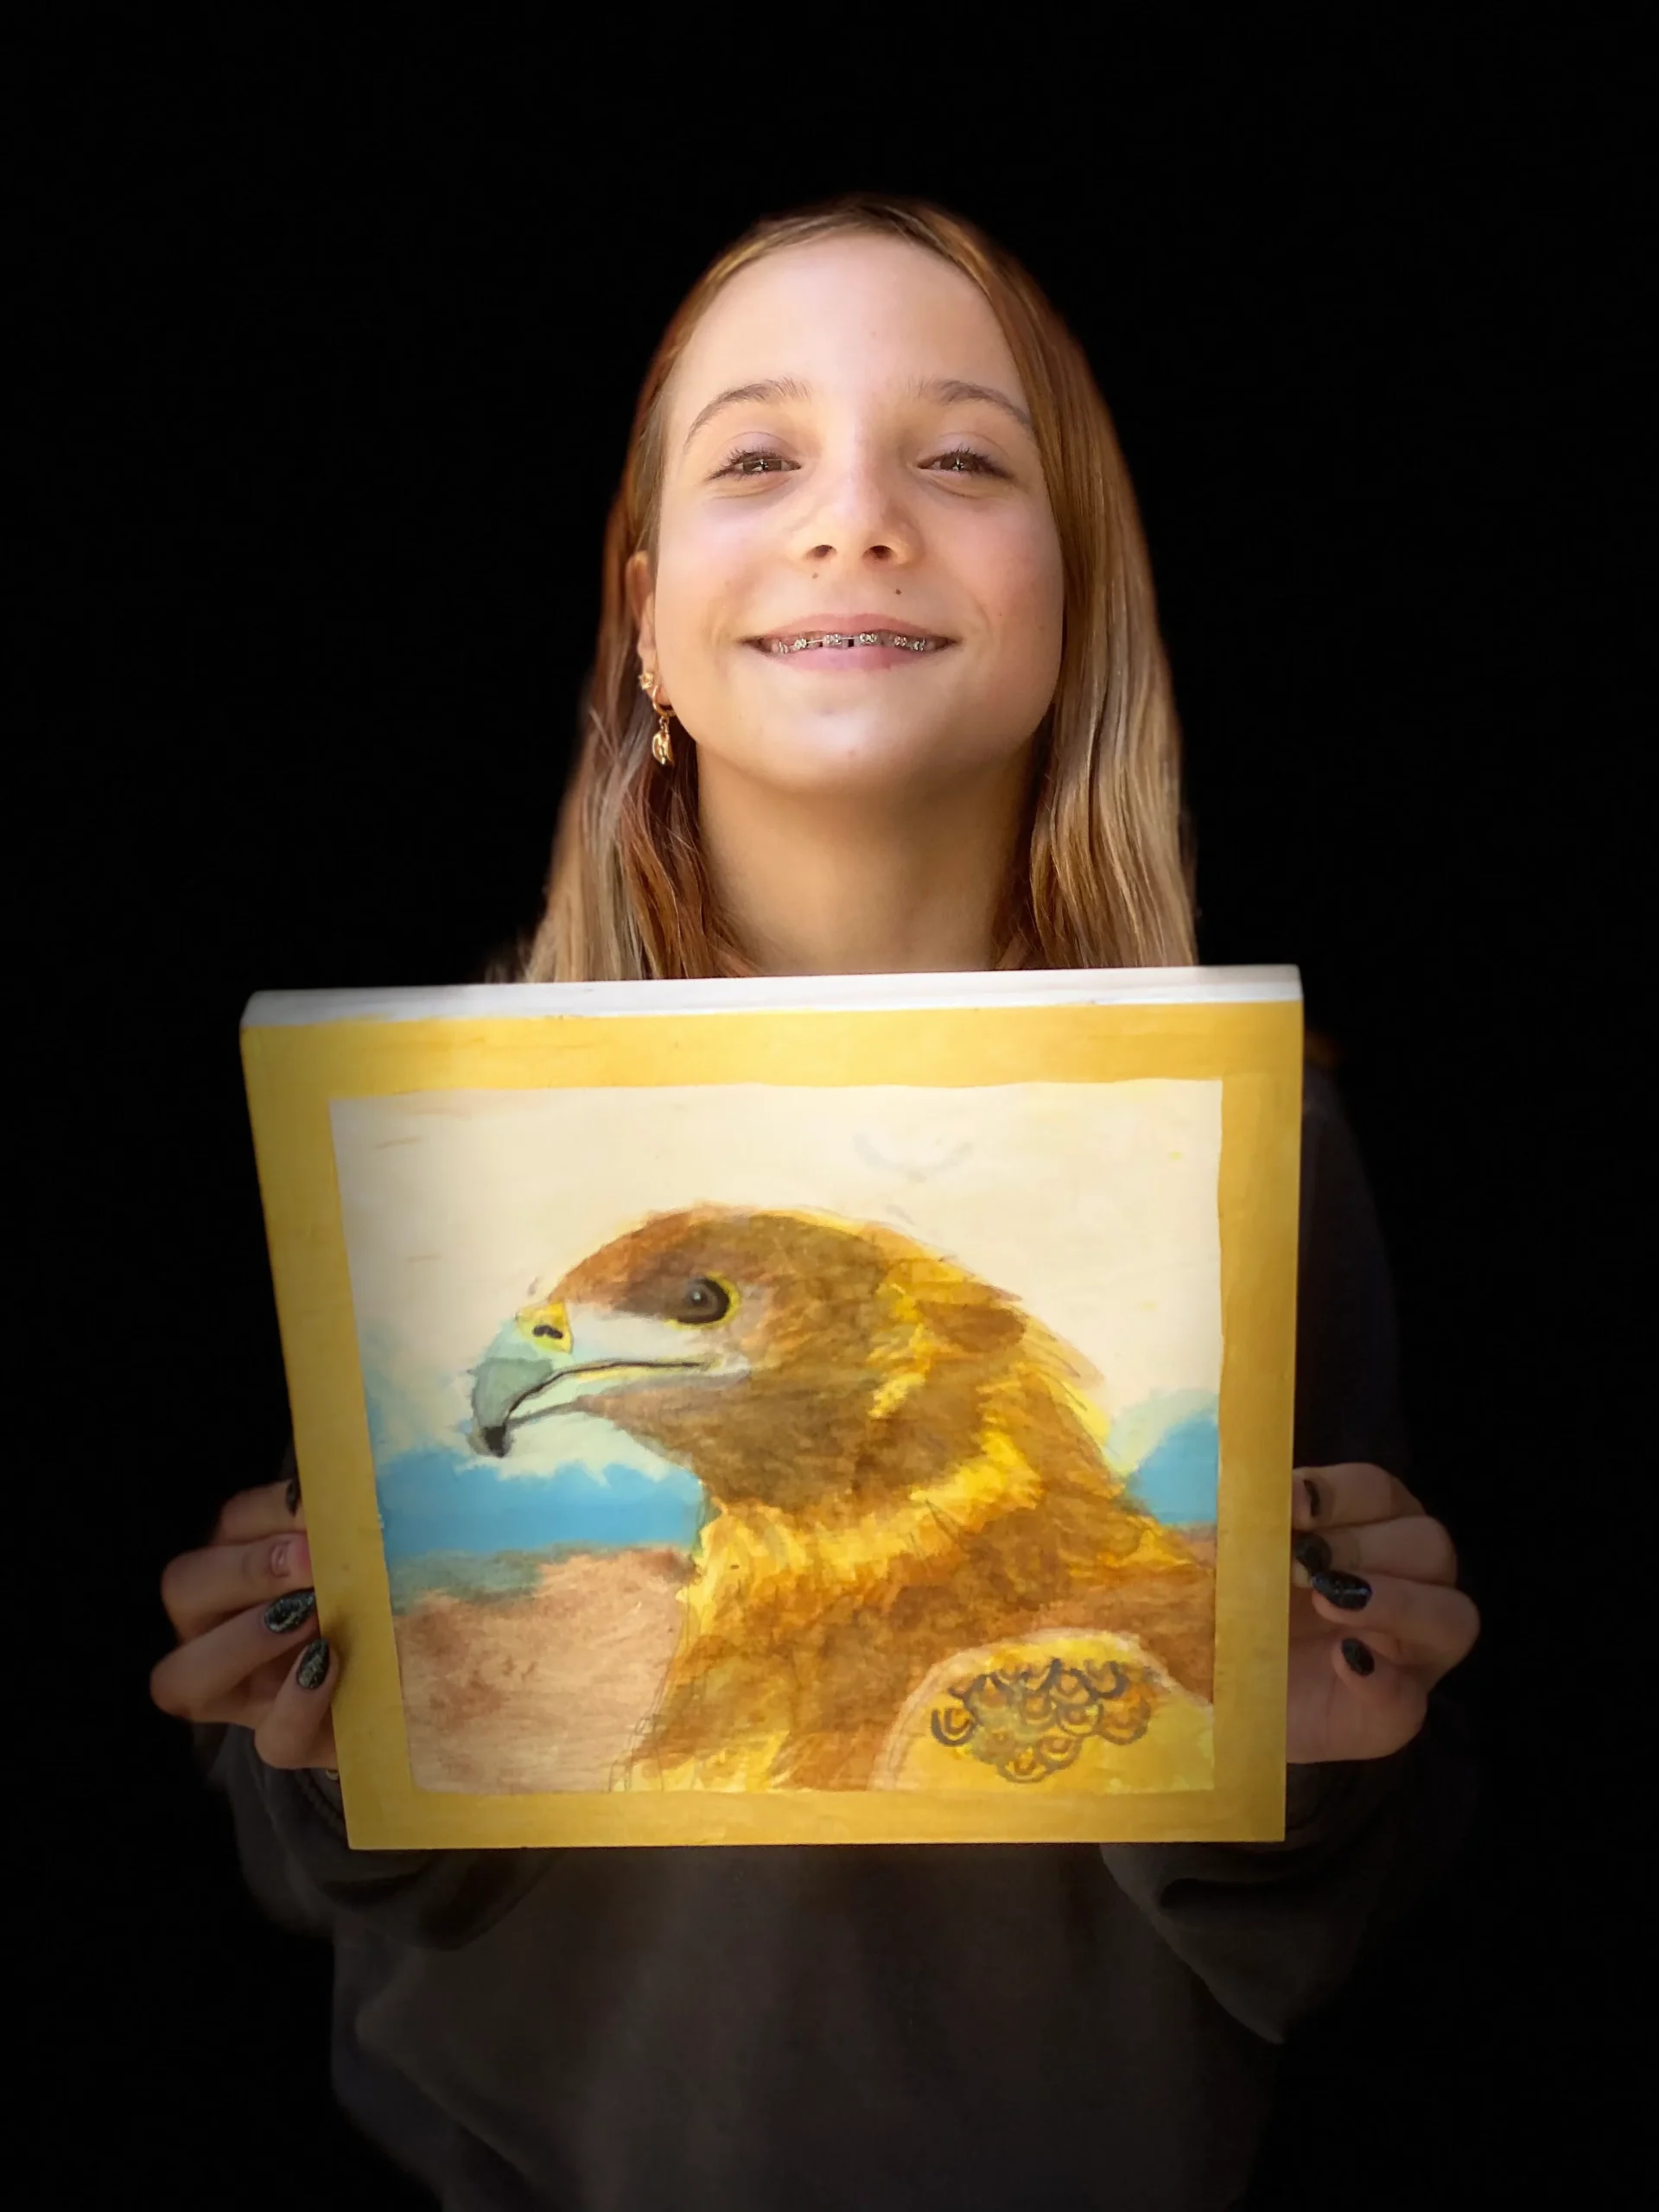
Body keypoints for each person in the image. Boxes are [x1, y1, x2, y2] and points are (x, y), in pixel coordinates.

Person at [150, 193, 1481, 2212]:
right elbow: (347, 1887)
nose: (855, 520)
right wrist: (304, 1735)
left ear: (1074, 595)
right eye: (757, 458)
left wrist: (1303, 1755)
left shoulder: (1261, 1140)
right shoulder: (429, 1134)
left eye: (960, 457)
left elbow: (1310, 1937)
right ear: (646, 607)